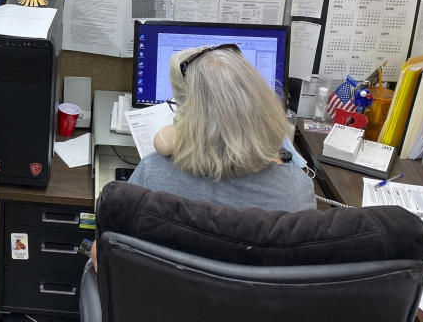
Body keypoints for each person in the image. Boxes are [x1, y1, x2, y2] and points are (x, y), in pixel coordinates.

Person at [91, 44, 314, 269]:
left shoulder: (154, 173)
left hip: (168, 302)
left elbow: (103, 260)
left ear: (189, 117)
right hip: (259, 303)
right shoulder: (297, 190)